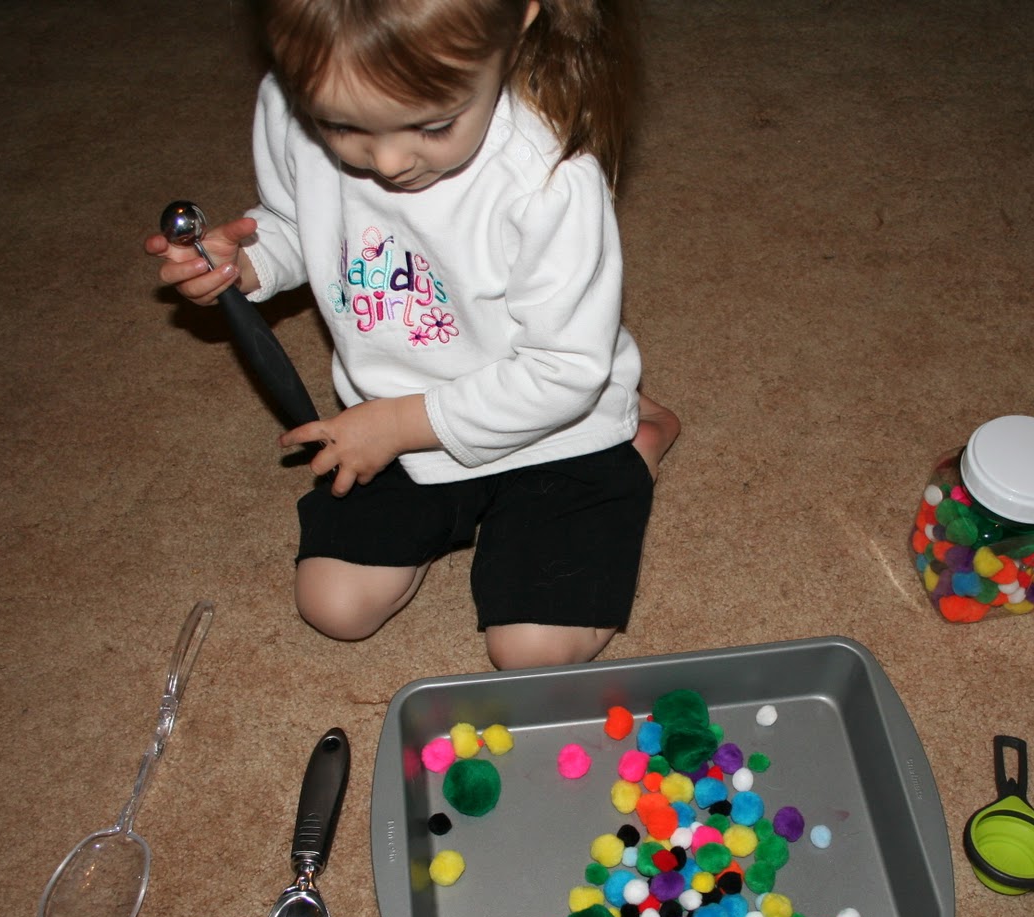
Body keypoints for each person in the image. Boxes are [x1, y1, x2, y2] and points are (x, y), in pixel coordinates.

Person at [145, 0, 678, 669]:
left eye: (433, 124)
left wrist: (397, 425)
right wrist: (244, 263)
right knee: (333, 604)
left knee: (530, 655)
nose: (391, 162)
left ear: (516, 30)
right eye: (342, 127)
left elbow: (563, 372)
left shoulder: (548, 174)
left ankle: (639, 437)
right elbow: (293, 223)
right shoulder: (292, 103)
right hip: (392, 416)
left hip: (556, 429)